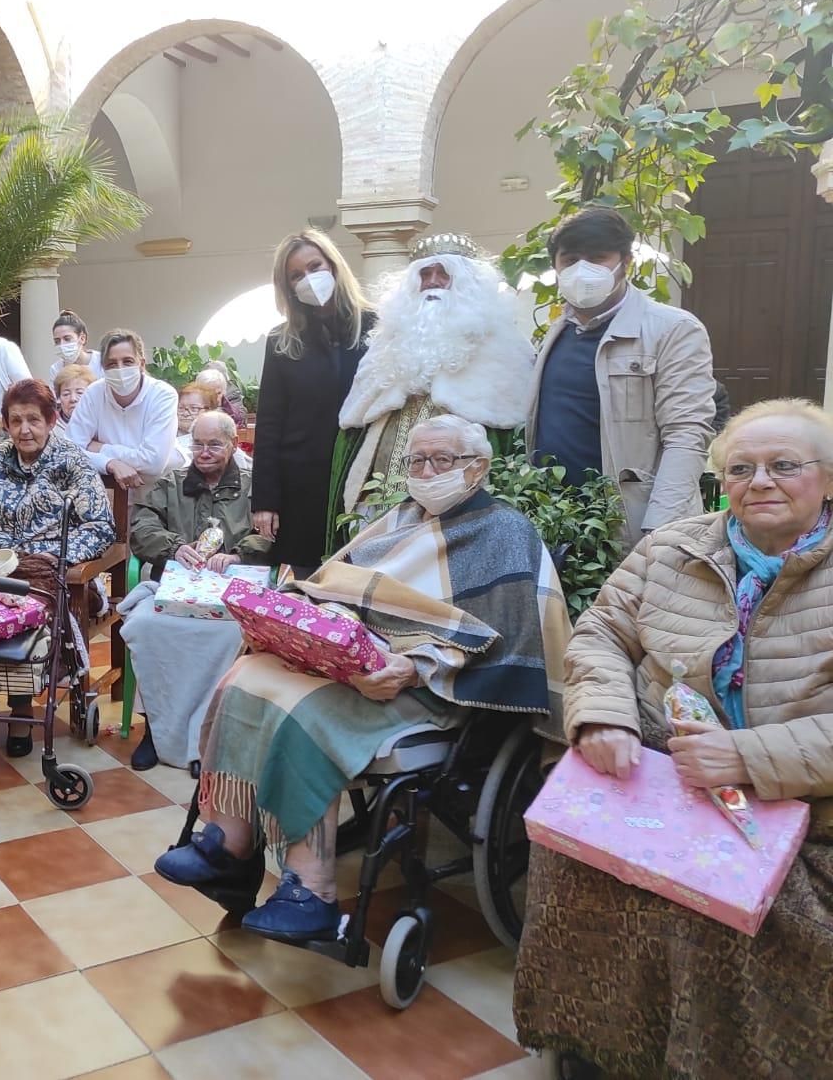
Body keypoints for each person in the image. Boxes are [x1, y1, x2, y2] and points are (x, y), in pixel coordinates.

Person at [513, 398, 833, 1078]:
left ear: (828, 478)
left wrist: (747, 756)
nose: (761, 481)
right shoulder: (672, 547)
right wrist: (604, 713)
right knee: (577, 859)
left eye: (784, 465)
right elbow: (600, 632)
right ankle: (593, 1044)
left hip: (808, 806)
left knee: (722, 915)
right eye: (741, 467)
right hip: (666, 772)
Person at [157, 416, 568, 943]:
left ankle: (312, 890)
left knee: (304, 710)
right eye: (416, 460)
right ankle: (227, 843)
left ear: (478, 468)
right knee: (244, 676)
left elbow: (509, 635)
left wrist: (415, 666)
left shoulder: (506, 532)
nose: (425, 471)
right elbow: (338, 584)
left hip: (429, 683)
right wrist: (296, 625)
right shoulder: (398, 518)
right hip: (361, 660)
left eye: (441, 460)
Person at [0, 378, 116, 756]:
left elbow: (101, 528)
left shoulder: (72, 463)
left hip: (42, 564)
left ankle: (21, 708)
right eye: (15, 421)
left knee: (25, 606)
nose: (24, 430)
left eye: (33, 420)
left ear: (52, 420)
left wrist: (60, 557)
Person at [527, 207, 716, 546]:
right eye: (570, 259)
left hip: (630, 527)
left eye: (598, 257)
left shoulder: (673, 329)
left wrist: (660, 530)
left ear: (625, 261)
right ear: (555, 265)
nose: (582, 270)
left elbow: (687, 433)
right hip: (555, 522)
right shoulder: (554, 334)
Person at [335, 232, 535, 528]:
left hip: (460, 505)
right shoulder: (385, 347)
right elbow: (355, 420)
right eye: (424, 274)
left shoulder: (507, 349)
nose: (432, 282)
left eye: (444, 274)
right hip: (378, 500)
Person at [120, 410, 270, 771]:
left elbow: (271, 532)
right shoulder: (171, 483)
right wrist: (174, 547)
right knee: (145, 626)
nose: (204, 452)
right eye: (198, 444)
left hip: (232, 593)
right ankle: (154, 730)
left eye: (214, 445)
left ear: (233, 445)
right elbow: (140, 526)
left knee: (234, 633)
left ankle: (209, 737)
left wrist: (237, 554)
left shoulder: (254, 486)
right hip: (176, 586)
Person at [250, 230, 374, 572]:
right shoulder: (281, 340)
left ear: (333, 266)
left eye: (314, 266)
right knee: (301, 584)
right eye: (296, 275)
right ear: (288, 287)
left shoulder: (376, 327)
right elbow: (270, 422)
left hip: (361, 476)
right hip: (299, 484)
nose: (308, 278)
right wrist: (265, 501)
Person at [63, 329, 181, 490]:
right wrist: (109, 463)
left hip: (156, 497)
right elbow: (69, 450)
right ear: (103, 368)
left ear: (141, 364)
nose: (120, 369)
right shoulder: (94, 393)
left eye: (128, 361)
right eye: (112, 364)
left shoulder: (162, 395)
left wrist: (101, 448)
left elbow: (153, 463)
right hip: (110, 495)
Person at [176, 383, 248, 471]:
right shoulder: (165, 436)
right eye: (181, 408)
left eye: (194, 408)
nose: (186, 413)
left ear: (210, 410)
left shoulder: (223, 439)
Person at [49, 310, 103, 381]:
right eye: (57, 341)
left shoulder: (101, 361)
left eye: (67, 339)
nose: (62, 345)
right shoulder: (56, 370)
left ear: (82, 338)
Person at [193, 361, 248, 429]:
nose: (215, 398)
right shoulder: (190, 402)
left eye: (218, 393)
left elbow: (239, 420)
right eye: (209, 392)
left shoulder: (232, 397)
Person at [52, 362, 95, 439]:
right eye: (66, 394)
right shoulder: (51, 429)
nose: (73, 399)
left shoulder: (101, 423)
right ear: (59, 398)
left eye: (79, 393)